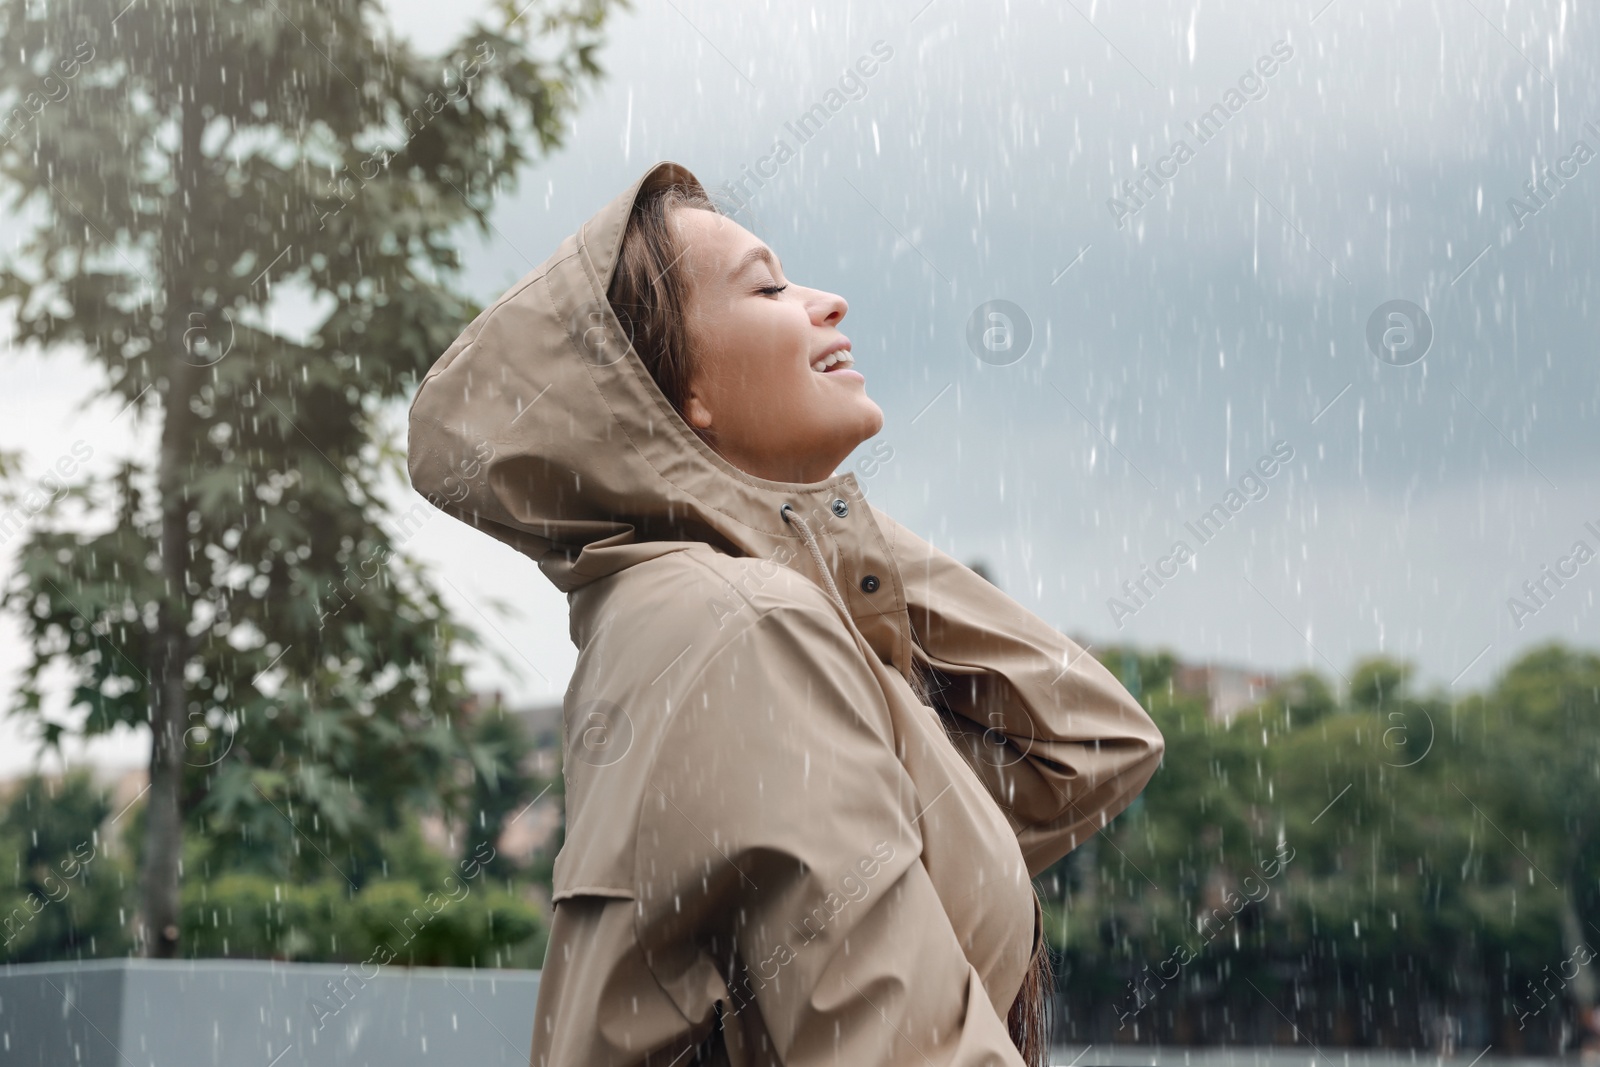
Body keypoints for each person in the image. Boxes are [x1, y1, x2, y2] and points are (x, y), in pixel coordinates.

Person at [407, 160, 1164, 1067]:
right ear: (676, 397)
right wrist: (770, 511)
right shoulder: (747, 627)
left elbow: (1089, 746)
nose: (829, 302)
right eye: (769, 286)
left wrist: (794, 512)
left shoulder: (706, 609)